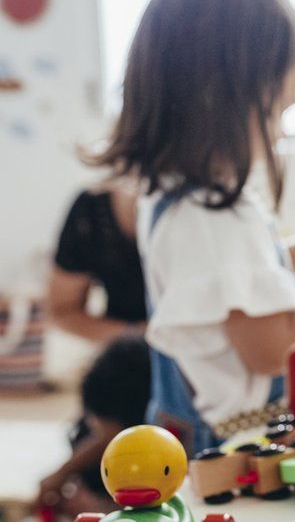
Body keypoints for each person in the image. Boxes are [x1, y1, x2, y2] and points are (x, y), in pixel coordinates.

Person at [90, 0, 295, 455]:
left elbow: (224, 296)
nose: (279, 133)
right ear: (217, 99)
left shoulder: (171, 194)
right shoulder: (217, 216)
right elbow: (271, 352)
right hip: (239, 444)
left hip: (188, 430)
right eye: (277, 109)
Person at [36, 182, 151, 516]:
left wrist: (60, 474)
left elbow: (107, 435)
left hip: (144, 370)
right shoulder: (92, 211)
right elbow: (61, 309)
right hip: (126, 359)